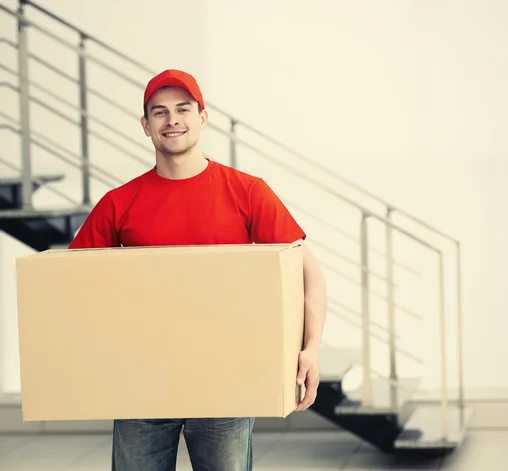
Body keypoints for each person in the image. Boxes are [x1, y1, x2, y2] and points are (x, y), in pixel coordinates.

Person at [68, 69, 327, 471]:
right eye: (160, 112)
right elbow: (72, 285)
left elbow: (306, 270)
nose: (172, 120)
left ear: (202, 118)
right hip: (142, 384)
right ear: (145, 125)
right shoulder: (118, 203)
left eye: (183, 109)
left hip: (225, 381)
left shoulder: (246, 191)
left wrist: (311, 347)